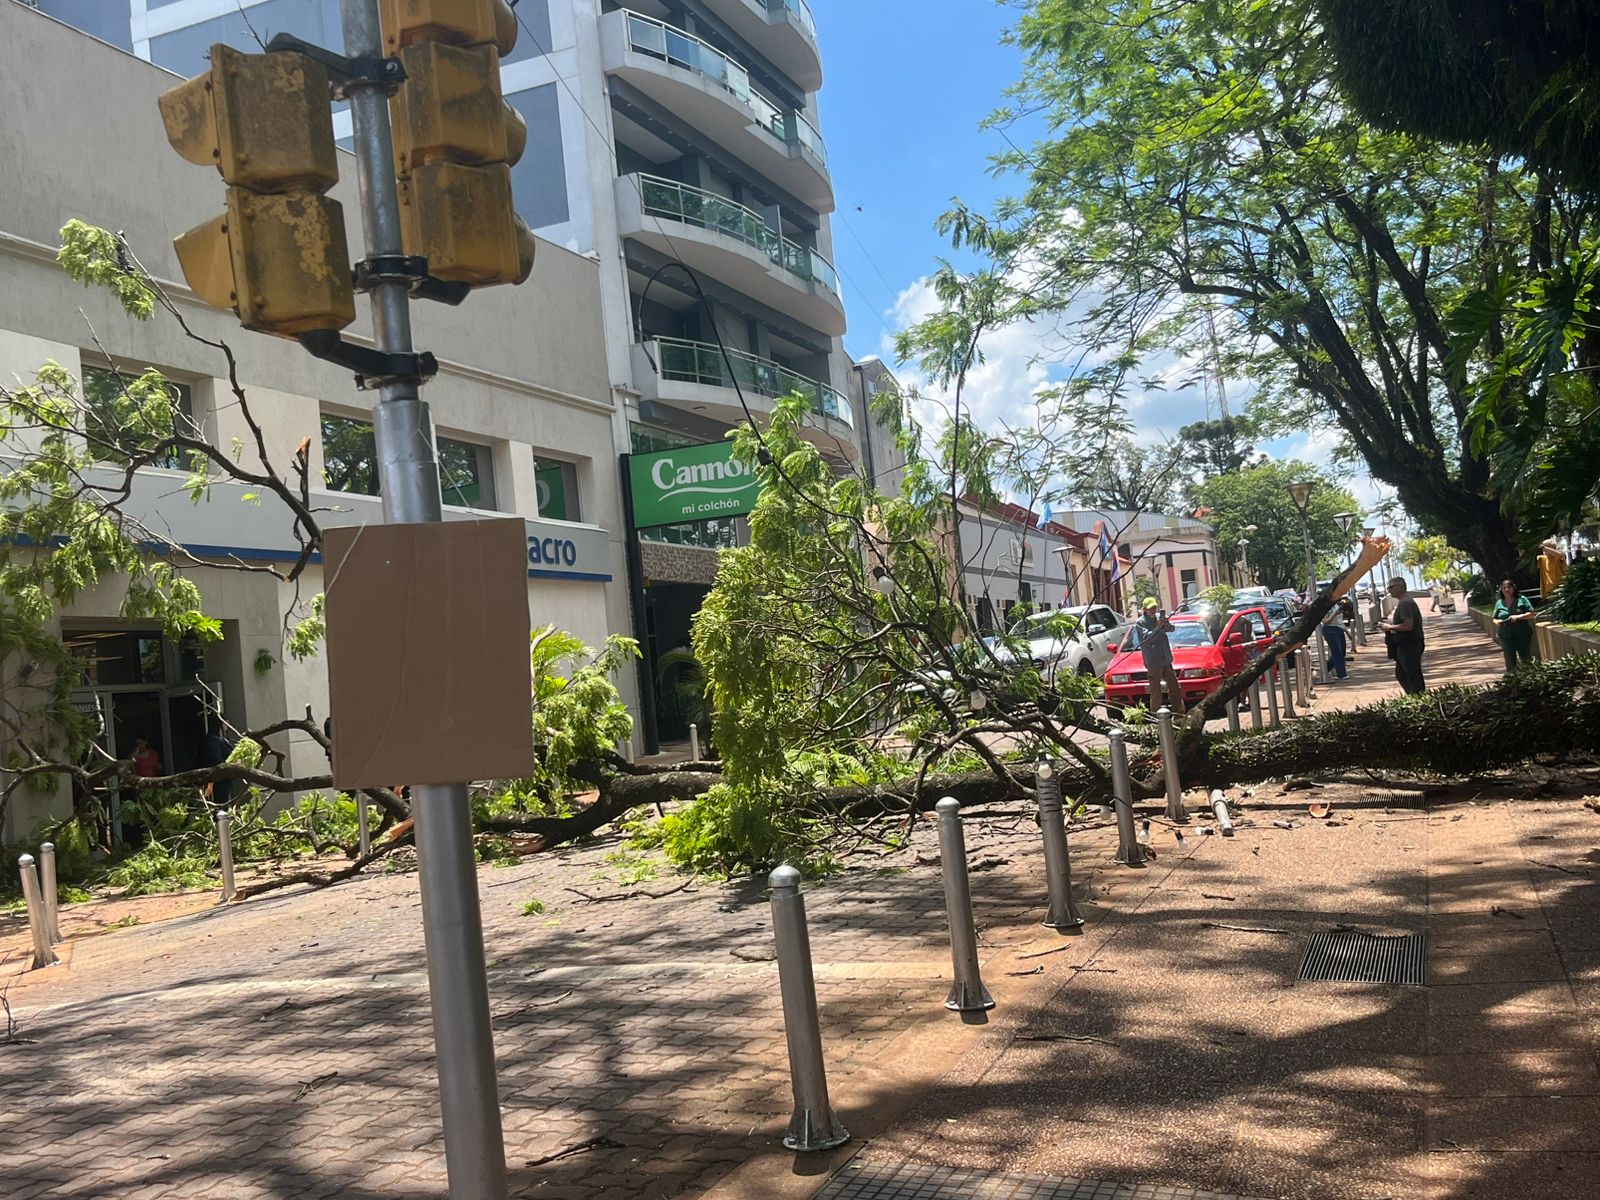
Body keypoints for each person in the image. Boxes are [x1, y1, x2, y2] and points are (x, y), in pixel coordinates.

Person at [1130, 596, 1185, 714]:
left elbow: (1172, 629)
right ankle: (1156, 716)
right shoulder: (1141, 623)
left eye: (1154, 607)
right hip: (1153, 662)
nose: (1153, 610)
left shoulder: (1158, 618)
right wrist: (1158, 627)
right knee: (1156, 690)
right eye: (1150, 608)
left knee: (1174, 687)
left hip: (1166, 659)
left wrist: (1166, 624)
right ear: (1144, 609)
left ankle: (1179, 713)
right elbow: (1147, 638)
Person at [1379, 577, 1426, 694]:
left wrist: (1389, 627)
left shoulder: (1405, 603)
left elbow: (1408, 626)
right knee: (1402, 674)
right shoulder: (1404, 602)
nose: (1389, 590)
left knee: (1411, 675)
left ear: (1401, 587)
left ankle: (1418, 697)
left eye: (1391, 587)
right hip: (1407, 643)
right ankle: (1414, 696)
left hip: (1410, 643)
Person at [1491, 579, 1537, 672]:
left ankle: (1529, 679)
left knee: (1525, 658)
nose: (1507, 589)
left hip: (1522, 633)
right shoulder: (1499, 602)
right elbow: (1494, 618)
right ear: (1501, 590)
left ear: (1513, 588)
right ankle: (1512, 680)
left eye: (1509, 587)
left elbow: (1532, 614)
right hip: (1505, 635)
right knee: (1509, 659)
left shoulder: (1522, 599)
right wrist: (1498, 622)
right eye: (1504, 588)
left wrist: (1518, 617)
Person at [1322, 602, 1349, 680]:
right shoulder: (1325, 607)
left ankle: (1325, 669)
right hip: (1330, 629)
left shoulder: (1336, 605)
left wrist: (1347, 632)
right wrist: (1334, 614)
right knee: (1337, 652)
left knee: (1342, 652)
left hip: (1339, 629)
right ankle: (1341, 673)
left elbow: (1340, 621)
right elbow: (1325, 622)